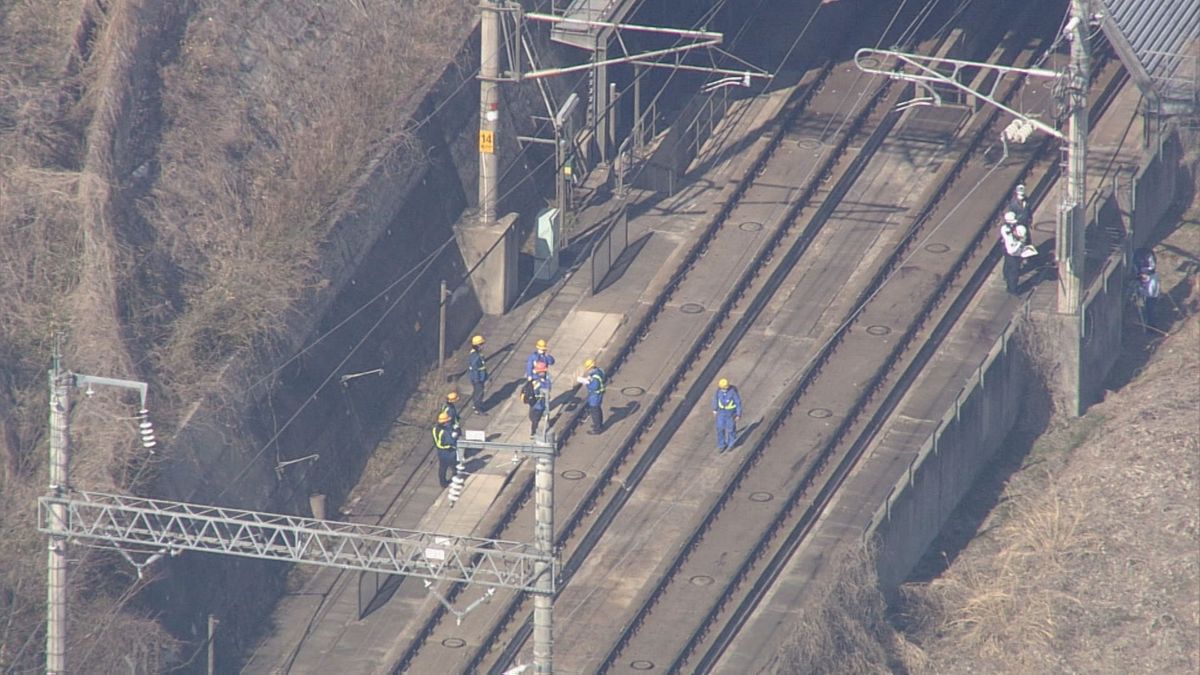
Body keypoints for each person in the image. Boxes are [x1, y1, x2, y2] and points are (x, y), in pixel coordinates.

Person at [1000, 211, 1029, 295]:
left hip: (1010, 254)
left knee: (1007, 265)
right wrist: (1020, 242)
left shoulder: (1011, 229)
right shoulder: (1007, 233)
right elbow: (1012, 250)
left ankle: (1006, 276)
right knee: (1014, 272)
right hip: (1013, 255)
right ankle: (1012, 289)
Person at [712, 378, 742, 453]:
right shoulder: (718, 391)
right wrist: (715, 409)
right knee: (720, 428)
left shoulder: (732, 392)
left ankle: (731, 444)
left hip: (730, 413)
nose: (723, 389)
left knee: (731, 429)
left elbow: (738, 403)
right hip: (721, 412)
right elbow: (715, 399)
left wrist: (738, 414)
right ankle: (721, 445)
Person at [576, 358, 606, 434]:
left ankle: (597, 428)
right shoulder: (599, 371)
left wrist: (587, 383)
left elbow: (594, 386)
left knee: (594, 411)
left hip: (595, 396)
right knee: (598, 410)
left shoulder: (595, 377)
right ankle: (599, 425)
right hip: (598, 395)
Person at [432, 411, 459, 488]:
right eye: (448, 421)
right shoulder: (445, 432)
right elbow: (451, 441)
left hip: (440, 451)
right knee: (454, 465)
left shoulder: (434, 429)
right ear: (445, 422)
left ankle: (443, 483)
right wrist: (455, 435)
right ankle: (456, 477)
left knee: (442, 468)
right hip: (448, 451)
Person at [526, 363, 551, 438]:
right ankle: (534, 432)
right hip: (536, 404)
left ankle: (535, 432)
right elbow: (536, 392)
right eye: (541, 371)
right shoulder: (537, 381)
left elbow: (548, 387)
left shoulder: (545, 379)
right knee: (533, 418)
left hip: (540, 404)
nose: (543, 373)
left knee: (536, 419)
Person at [1136, 267, 1161, 333]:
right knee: (1151, 312)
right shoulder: (1153, 276)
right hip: (1152, 297)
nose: (1142, 276)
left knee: (1150, 312)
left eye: (1142, 274)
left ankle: (1151, 327)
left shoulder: (1152, 283)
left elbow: (1149, 293)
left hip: (1151, 298)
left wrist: (1140, 289)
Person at [468, 334, 488, 414]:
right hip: (478, 379)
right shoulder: (475, 357)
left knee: (478, 392)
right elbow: (475, 369)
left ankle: (477, 405)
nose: (483, 346)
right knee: (479, 393)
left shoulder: (477, 354)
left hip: (480, 377)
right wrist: (477, 380)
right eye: (481, 344)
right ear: (477, 346)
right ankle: (478, 409)